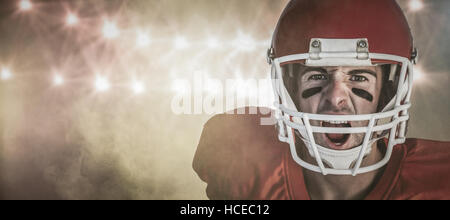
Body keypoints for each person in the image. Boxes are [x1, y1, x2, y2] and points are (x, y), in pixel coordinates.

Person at [193, 0, 450, 200]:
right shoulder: (242, 156)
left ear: (387, 91)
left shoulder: (440, 180)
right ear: (290, 88)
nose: (336, 97)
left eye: (359, 77)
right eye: (317, 75)